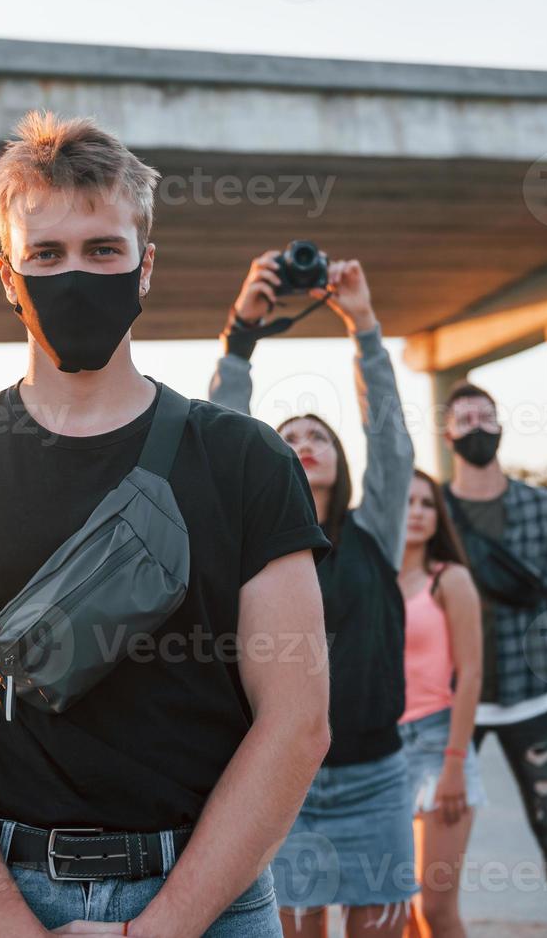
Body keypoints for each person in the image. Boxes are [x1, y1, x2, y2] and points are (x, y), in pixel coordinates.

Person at [0, 111, 333, 936]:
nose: (75, 274)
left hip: (206, 897)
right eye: (47, 254)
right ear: (8, 274)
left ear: (146, 267)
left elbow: (296, 722)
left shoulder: (248, 460)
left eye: (103, 250)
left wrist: (158, 930)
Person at [208, 253, 419, 936]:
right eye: (289, 437)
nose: (304, 443)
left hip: (376, 777)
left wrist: (364, 327)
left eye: (317, 436)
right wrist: (241, 333)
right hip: (277, 781)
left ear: (339, 458)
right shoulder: (255, 541)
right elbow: (218, 432)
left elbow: (391, 440)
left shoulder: (375, 532)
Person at [441, 382, 547, 937]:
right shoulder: (434, 512)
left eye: (486, 416)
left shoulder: (541, 504)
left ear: (501, 426)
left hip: (532, 701)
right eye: (464, 419)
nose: (477, 427)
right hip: (453, 706)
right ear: (447, 433)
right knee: (434, 837)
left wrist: (537, 659)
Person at [397, 470, 484, 938]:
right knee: (404, 910)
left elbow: (471, 674)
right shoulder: (373, 577)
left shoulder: (450, 580)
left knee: (436, 909)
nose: (416, 512)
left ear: (438, 517)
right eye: (407, 502)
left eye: (427, 504)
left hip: (438, 745)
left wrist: (454, 764)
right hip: (385, 754)